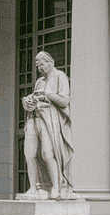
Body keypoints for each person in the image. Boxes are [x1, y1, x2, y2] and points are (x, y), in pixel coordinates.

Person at [21, 51, 77, 200]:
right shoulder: (39, 81)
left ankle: (56, 187)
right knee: (29, 154)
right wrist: (27, 102)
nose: (38, 67)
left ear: (50, 62)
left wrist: (49, 95)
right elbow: (35, 98)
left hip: (49, 121)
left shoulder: (60, 76)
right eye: (37, 65)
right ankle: (35, 188)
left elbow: (64, 101)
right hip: (34, 119)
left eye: (41, 64)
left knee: (47, 153)